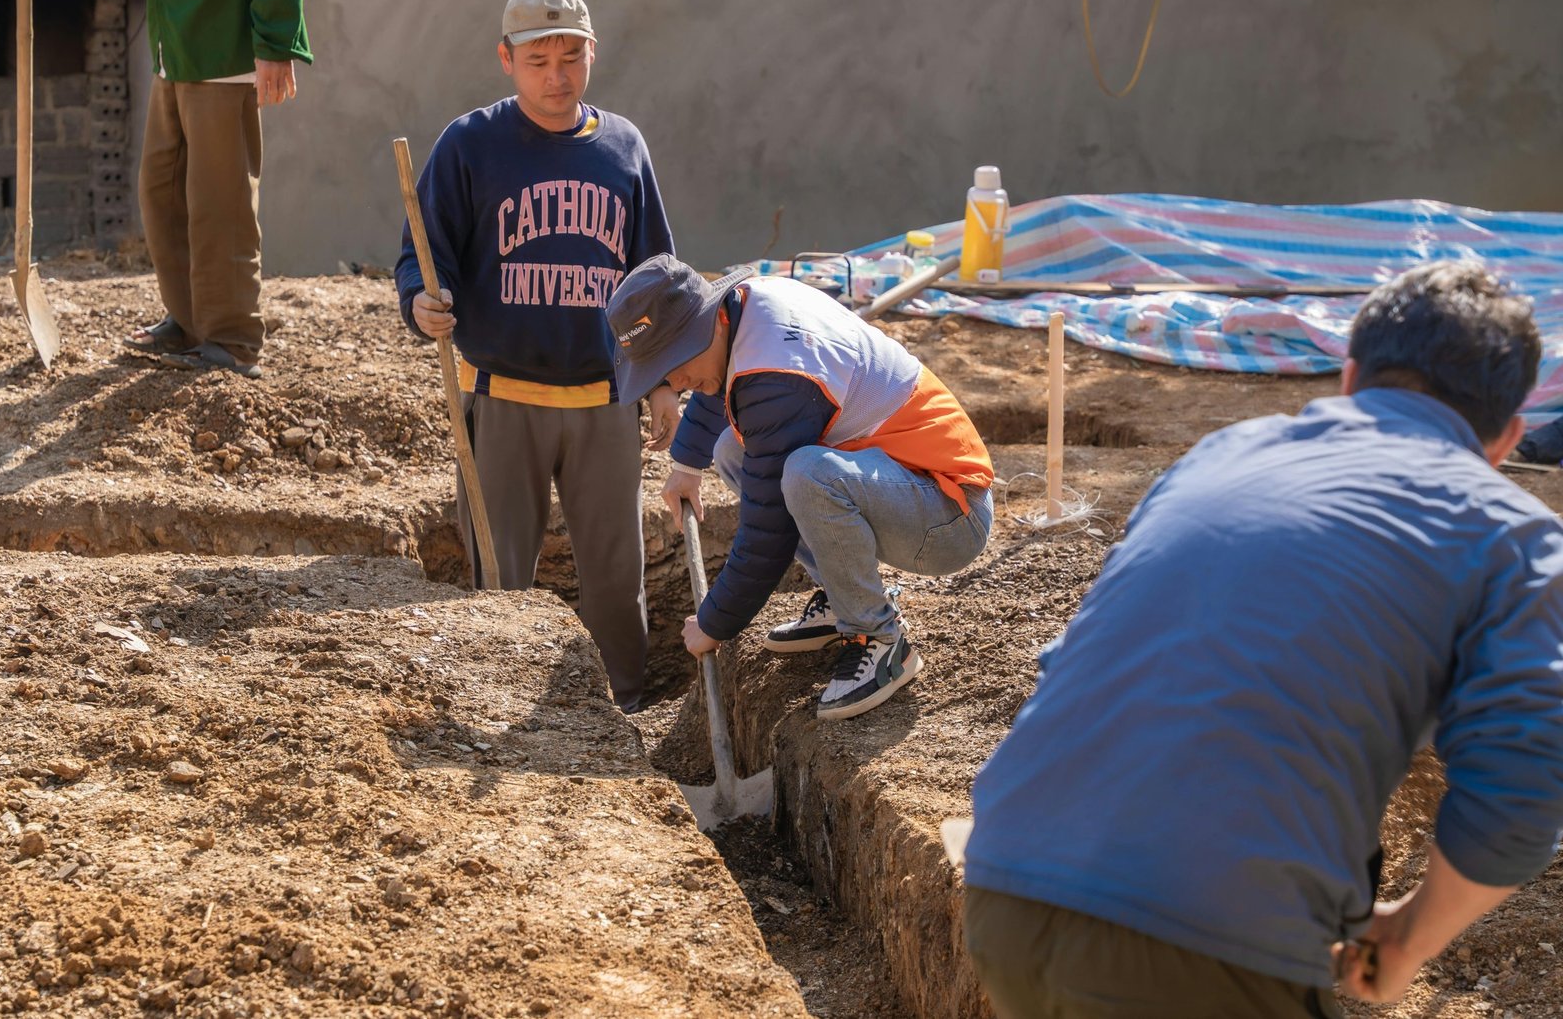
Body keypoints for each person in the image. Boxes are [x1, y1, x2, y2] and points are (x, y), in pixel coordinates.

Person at [962, 261, 1563, 1017]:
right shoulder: (1513, 535)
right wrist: (1409, 935)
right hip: (1202, 942)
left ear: (1349, 378)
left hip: (1007, 886)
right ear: (1508, 437)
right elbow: (1524, 787)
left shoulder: (1219, 455)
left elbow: (1080, 660)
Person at [394, 0, 677, 713]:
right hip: (501, 399)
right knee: (500, 573)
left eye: (571, 56)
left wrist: (666, 384)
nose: (557, 75)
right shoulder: (469, 145)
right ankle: (498, 698)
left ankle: (626, 708)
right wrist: (420, 302)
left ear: (593, 54)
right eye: (538, 59)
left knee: (616, 576)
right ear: (507, 60)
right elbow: (421, 256)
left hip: (604, 402)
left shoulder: (624, 148)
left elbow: (655, 281)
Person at [606, 255, 995, 721]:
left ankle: (879, 637)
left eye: (674, 365)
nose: (678, 383)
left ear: (710, 323)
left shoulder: (778, 377)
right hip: (902, 482)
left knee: (807, 474)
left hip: (948, 515)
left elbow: (768, 529)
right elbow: (722, 386)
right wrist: (688, 463)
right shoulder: (746, 312)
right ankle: (844, 595)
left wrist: (714, 623)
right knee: (734, 448)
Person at [125, 0, 313, 379]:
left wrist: (274, 41)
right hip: (174, 42)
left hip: (222, 44)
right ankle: (191, 322)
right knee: (161, 192)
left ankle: (232, 339)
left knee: (220, 202)